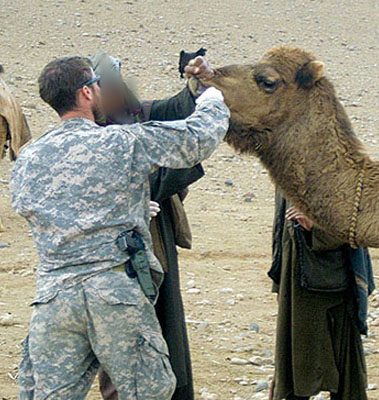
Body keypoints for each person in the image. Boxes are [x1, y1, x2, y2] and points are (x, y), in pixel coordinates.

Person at [11, 56, 228, 399]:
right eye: (97, 84)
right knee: (149, 390)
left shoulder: (29, 158)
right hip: (113, 294)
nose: (101, 90)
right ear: (85, 93)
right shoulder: (119, 142)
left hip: (54, 299)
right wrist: (213, 98)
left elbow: (30, 208)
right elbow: (196, 139)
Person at [90, 51, 206, 400]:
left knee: (163, 318)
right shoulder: (86, 134)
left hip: (156, 237)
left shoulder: (143, 115)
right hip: (112, 252)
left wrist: (196, 85)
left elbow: (180, 109)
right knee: (120, 329)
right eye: (102, 88)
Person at [269, 190, 375, 400]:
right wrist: (280, 281)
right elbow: (282, 225)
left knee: (344, 373)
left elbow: (357, 222)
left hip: (334, 283)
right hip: (295, 281)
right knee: (295, 368)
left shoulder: (338, 164)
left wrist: (316, 226)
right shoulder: (284, 169)